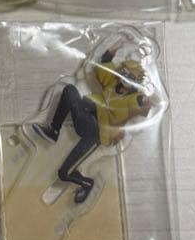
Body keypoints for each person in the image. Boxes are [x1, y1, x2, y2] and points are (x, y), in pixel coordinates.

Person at [32, 51, 152, 204]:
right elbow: (105, 61)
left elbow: (143, 103)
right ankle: (54, 131)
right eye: (123, 73)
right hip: (85, 116)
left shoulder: (132, 99)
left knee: (64, 173)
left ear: (135, 82)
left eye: (129, 77)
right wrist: (119, 43)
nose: (124, 77)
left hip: (96, 132)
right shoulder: (112, 83)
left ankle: (87, 184)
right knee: (70, 90)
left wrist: (147, 97)